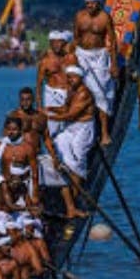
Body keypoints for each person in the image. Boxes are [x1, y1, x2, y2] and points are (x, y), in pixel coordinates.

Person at [73, 0, 119, 145]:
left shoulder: (105, 18)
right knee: (83, 92)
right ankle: (84, 129)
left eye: (92, 3)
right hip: (82, 56)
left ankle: (105, 133)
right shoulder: (80, 16)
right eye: (87, 3)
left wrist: (113, 64)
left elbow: (112, 42)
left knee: (101, 94)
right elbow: (76, 38)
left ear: (98, 3)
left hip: (99, 57)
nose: (89, 6)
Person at [47, 65, 97, 196]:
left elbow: (71, 115)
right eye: (68, 77)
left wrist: (48, 116)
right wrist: (50, 109)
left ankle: (77, 189)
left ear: (80, 78)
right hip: (71, 127)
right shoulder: (71, 91)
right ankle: (68, 176)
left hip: (83, 128)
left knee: (78, 156)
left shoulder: (84, 93)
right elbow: (65, 109)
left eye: (73, 77)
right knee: (59, 141)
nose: (70, 80)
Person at [36, 30, 73, 137]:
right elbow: (39, 85)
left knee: (69, 125)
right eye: (54, 42)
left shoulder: (71, 58)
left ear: (65, 43)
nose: (56, 45)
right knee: (53, 127)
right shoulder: (45, 61)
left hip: (69, 95)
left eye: (59, 42)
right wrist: (39, 107)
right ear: (50, 43)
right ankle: (54, 151)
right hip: (52, 95)